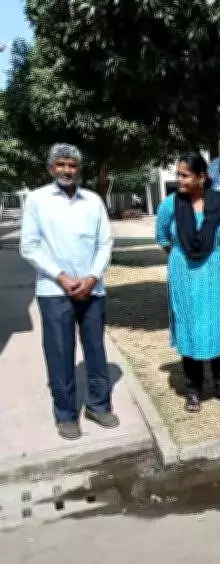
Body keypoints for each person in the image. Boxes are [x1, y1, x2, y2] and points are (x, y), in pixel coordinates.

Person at [19, 143, 119, 440]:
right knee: (60, 352)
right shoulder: (37, 200)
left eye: (72, 165)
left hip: (92, 290)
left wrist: (91, 277)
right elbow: (30, 245)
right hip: (54, 290)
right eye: (60, 164)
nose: (66, 170)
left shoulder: (93, 201)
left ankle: (99, 406)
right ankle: (65, 414)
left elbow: (105, 243)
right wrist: (62, 277)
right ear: (51, 168)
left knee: (95, 348)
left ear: (79, 169)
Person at [155, 152, 220, 412]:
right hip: (185, 273)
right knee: (189, 325)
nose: (178, 179)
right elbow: (162, 237)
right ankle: (192, 389)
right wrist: (182, 259)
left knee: (218, 325)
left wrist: (214, 255)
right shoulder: (170, 205)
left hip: (215, 271)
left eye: (184, 174)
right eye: (177, 174)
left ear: (201, 177)